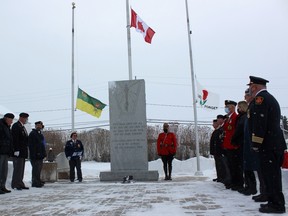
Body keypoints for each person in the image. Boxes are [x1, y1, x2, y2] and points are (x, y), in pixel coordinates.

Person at [247, 76, 286, 214]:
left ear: (255, 87)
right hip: (272, 143)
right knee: (270, 175)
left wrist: (256, 143)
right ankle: (272, 201)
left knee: (271, 176)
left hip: (269, 144)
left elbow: (259, 124)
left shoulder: (261, 100)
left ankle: (277, 205)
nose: (250, 89)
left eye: (251, 86)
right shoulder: (266, 98)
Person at [222, 100, 243, 190]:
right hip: (228, 145)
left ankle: (238, 183)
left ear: (233, 107)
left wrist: (235, 143)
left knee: (235, 166)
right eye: (226, 107)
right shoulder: (228, 118)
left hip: (233, 145)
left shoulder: (235, 117)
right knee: (230, 165)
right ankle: (233, 182)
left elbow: (236, 131)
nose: (226, 108)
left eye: (228, 106)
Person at [11, 112, 30, 190]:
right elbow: (15, 139)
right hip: (18, 151)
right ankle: (15, 184)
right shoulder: (16, 126)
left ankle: (20, 182)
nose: (26, 120)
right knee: (17, 168)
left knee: (21, 168)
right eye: (25, 118)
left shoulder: (22, 127)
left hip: (23, 151)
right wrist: (16, 149)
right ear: (22, 118)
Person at [29, 121, 46, 188]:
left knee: (38, 169)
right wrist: (35, 153)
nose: (38, 126)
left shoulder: (40, 134)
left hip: (40, 155)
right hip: (35, 155)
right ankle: (35, 182)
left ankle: (38, 180)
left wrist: (44, 153)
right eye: (37, 125)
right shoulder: (33, 133)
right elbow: (31, 145)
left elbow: (42, 145)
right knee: (35, 169)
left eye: (40, 125)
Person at [0, 113, 14, 194]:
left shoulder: (7, 127)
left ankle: (2, 186)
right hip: (1, 151)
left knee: (4, 170)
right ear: (6, 118)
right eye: (11, 120)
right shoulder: (1, 125)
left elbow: (9, 140)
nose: (11, 122)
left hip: (5, 151)